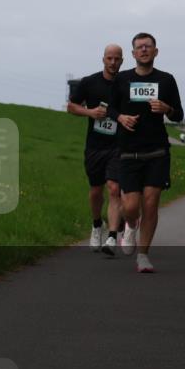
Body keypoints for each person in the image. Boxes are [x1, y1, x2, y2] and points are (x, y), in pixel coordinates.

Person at [108, 32, 184, 273]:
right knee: (131, 206)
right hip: (129, 152)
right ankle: (130, 225)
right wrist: (120, 117)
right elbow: (107, 108)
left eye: (148, 46)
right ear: (132, 54)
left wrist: (166, 107)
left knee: (151, 204)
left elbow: (178, 114)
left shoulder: (166, 80)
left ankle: (143, 255)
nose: (143, 50)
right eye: (139, 47)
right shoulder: (121, 79)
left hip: (157, 151)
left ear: (155, 51)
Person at [67, 44, 125, 255]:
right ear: (103, 59)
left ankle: (111, 237)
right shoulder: (90, 82)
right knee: (95, 191)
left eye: (117, 59)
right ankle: (96, 225)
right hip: (95, 146)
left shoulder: (125, 84)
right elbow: (71, 106)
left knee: (114, 188)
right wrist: (90, 112)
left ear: (122, 60)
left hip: (118, 146)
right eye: (109, 58)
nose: (113, 62)